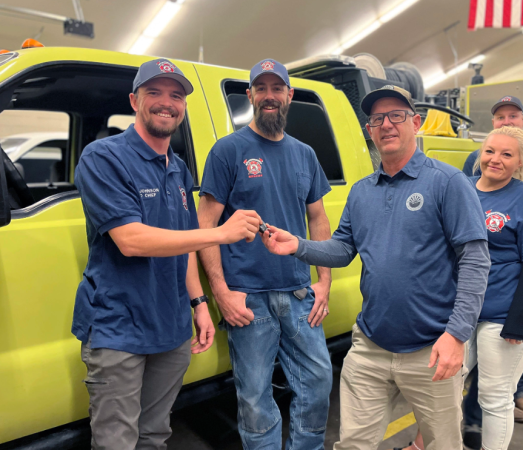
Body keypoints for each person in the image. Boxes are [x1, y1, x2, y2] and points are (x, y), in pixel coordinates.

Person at [262, 85, 491, 450]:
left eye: (396, 116)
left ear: (416, 122)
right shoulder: (361, 191)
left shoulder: (447, 182)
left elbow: (476, 260)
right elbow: (343, 249)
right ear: (369, 130)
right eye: (377, 119)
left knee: (443, 444)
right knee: (353, 443)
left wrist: (457, 335)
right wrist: (299, 246)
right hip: (370, 346)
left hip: (431, 350)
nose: (386, 125)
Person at [72, 59, 261, 450]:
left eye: (176, 95)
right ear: (134, 100)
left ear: (184, 107)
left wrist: (199, 303)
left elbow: (187, 241)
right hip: (119, 327)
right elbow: (131, 240)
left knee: (155, 435)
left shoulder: (177, 169)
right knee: (115, 442)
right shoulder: (103, 157)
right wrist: (223, 232)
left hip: (171, 328)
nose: (166, 103)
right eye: (154, 93)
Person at [197, 59, 333, 450]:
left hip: (298, 294)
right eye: (262, 88)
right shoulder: (228, 151)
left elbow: (318, 220)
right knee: (255, 399)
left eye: (278, 88)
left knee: (319, 383)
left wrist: (323, 282)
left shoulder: (305, 154)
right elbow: (205, 228)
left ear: (289, 95)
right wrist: (220, 292)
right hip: (248, 300)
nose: (270, 96)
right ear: (250, 96)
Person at [405, 127, 523, 450]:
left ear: (520, 162)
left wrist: (519, 319)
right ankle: (424, 445)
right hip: (462, 312)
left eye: (506, 154)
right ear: (479, 154)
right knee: (442, 385)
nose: (495, 159)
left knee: (494, 397)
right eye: (490, 151)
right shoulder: (463, 188)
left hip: (505, 315)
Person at [462, 95, 523, 191]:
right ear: (493, 123)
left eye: (513, 116)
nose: (506, 122)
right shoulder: (475, 159)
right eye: (500, 117)